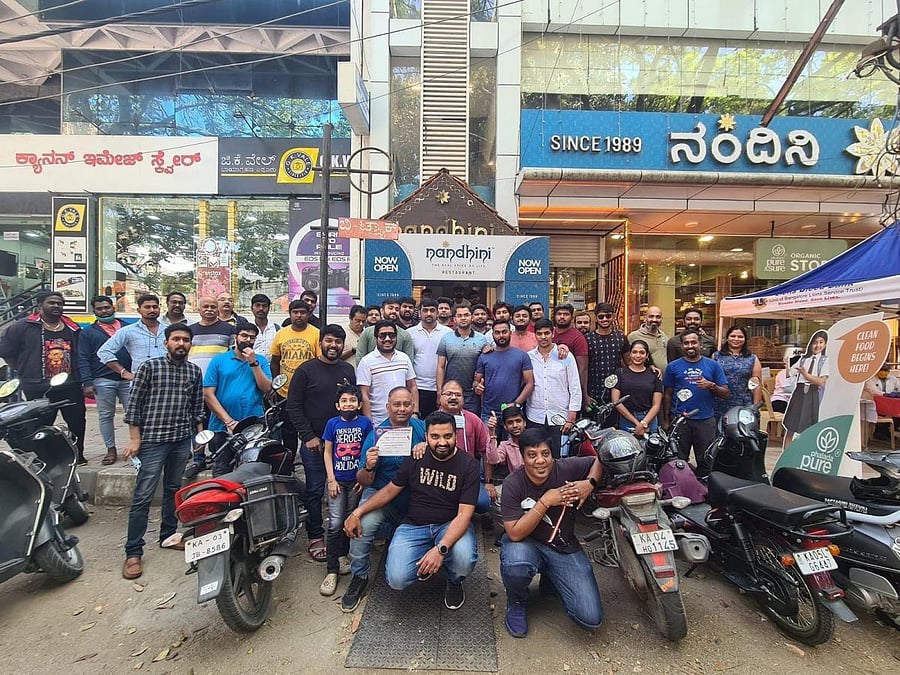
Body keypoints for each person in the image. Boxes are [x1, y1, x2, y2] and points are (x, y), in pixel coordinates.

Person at [345, 410, 479, 610]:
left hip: (450, 524)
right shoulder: (416, 456)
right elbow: (390, 490)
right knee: (396, 579)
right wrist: (357, 512)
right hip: (414, 525)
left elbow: (465, 515)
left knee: (463, 559)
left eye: (447, 436)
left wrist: (441, 549)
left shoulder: (469, 465)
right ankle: (415, 562)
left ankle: (454, 580)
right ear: (426, 436)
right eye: (435, 436)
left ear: (455, 435)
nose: (442, 442)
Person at [499, 427, 604, 638]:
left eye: (545, 454)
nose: (540, 461)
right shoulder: (513, 483)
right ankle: (517, 600)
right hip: (526, 543)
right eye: (532, 455)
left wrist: (589, 483)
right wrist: (545, 501)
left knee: (590, 617)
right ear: (523, 456)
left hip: (563, 546)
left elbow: (599, 460)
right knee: (516, 563)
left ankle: (552, 578)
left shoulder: (566, 468)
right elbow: (515, 533)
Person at [121, 324, 203, 580]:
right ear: (166, 342)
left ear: (190, 344)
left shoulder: (193, 371)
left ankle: (168, 535)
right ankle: (133, 551)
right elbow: (133, 404)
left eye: (185, 340)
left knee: (173, 490)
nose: (181, 343)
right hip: (153, 441)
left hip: (180, 439)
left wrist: (199, 437)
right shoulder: (150, 367)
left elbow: (196, 406)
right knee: (144, 495)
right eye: (176, 339)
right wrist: (135, 438)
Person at [340, 387, 426, 612]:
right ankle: (359, 575)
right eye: (396, 404)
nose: (401, 409)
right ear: (388, 407)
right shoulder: (376, 434)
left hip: (416, 497)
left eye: (406, 404)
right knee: (364, 525)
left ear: (412, 406)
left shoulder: (422, 428)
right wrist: (369, 465)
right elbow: (363, 480)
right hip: (380, 495)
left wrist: (428, 445)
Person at [286, 325, 356, 562]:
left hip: (346, 444)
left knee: (346, 489)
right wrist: (307, 436)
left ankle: (344, 536)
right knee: (316, 489)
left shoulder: (347, 370)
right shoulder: (305, 371)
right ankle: (316, 535)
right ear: (320, 342)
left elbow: (353, 402)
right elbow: (293, 406)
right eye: (329, 341)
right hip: (314, 444)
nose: (333, 346)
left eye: (338, 341)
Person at [0, 291, 87, 463]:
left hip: (70, 384)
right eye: (51, 303)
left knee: (77, 421)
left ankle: (78, 455)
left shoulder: (72, 327)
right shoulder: (23, 326)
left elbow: (80, 354)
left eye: (59, 303)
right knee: (40, 424)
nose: (56, 306)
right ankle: (44, 458)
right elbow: (7, 352)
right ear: (40, 306)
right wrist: (24, 369)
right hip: (36, 385)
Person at [320, 384, 374, 597]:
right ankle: (331, 570)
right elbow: (327, 452)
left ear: (360, 404)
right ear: (337, 405)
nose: (348, 404)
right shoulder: (332, 424)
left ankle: (344, 555)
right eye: (344, 400)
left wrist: (364, 476)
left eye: (352, 400)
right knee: (334, 523)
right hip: (338, 481)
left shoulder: (366, 423)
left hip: (356, 482)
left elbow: (370, 449)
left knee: (350, 520)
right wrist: (331, 480)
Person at [199, 322, 272, 476]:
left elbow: (266, 388)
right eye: (244, 335)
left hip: (253, 427)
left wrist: (253, 363)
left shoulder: (261, 360)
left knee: (251, 471)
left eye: (252, 337)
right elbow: (208, 394)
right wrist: (229, 421)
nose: (248, 340)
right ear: (235, 337)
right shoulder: (219, 360)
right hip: (221, 427)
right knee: (222, 471)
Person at [663, 330, 729, 473]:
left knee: (706, 461)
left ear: (700, 345)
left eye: (693, 342)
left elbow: (725, 393)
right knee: (677, 461)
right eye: (686, 343)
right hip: (680, 420)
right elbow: (667, 394)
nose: (690, 346)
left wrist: (711, 386)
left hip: (705, 420)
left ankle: (705, 491)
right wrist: (666, 420)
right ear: (682, 346)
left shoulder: (713, 365)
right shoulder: (673, 366)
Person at [78, 295, 131, 465]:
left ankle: (136, 445)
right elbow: (83, 358)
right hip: (103, 379)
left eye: (107, 307)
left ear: (113, 307)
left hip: (129, 378)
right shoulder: (88, 333)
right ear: (94, 311)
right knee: (106, 416)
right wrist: (87, 382)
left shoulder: (127, 328)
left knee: (134, 414)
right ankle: (111, 449)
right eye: (100, 308)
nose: (104, 311)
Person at [271, 299, 321, 460]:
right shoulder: (281, 334)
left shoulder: (316, 333)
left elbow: (319, 362)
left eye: (302, 312)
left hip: (309, 392)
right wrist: (275, 385)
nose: (299, 315)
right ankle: (289, 462)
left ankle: (312, 462)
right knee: (288, 431)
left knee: (309, 429)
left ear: (308, 314)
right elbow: (275, 361)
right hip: (285, 392)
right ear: (290, 314)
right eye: (295, 312)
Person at [526, 319, 582, 457]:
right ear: (535, 335)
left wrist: (571, 417)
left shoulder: (565, 356)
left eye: (546, 333)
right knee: (536, 455)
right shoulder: (529, 357)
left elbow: (574, 386)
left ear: (553, 333)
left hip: (560, 416)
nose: (543, 337)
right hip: (534, 415)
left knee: (557, 456)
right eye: (539, 333)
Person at [357, 320, 418, 425]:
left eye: (391, 335)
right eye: (382, 336)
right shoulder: (366, 361)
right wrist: (369, 421)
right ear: (376, 338)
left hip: (405, 419)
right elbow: (364, 394)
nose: (387, 339)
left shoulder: (404, 358)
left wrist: (415, 412)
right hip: (379, 421)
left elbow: (412, 386)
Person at [98, 292, 167, 385]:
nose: (152, 310)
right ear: (139, 310)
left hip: (167, 381)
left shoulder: (168, 330)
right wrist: (124, 373)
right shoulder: (128, 331)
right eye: (147, 307)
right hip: (141, 382)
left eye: (155, 307)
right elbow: (104, 352)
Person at [474, 319, 534, 425]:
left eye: (504, 332)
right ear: (492, 335)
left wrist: (516, 403)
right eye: (497, 333)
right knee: (488, 441)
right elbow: (476, 382)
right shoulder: (484, 356)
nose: (501, 335)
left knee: (513, 442)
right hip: (489, 411)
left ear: (510, 333)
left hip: (513, 411)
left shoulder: (522, 356)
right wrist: (477, 387)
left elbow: (530, 383)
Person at [436, 305, 488, 414]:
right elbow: (440, 367)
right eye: (459, 316)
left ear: (472, 317)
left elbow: (485, 364)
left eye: (466, 315)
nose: (463, 318)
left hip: (472, 393)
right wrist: (440, 391)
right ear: (454, 319)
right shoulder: (446, 338)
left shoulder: (482, 339)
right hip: (450, 392)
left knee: (471, 425)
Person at [783, 330, 829, 450]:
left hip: (813, 393)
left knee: (809, 427)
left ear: (825, 344)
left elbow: (821, 382)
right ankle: (786, 454)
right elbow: (790, 374)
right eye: (815, 342)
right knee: (791, 426)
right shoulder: (803, 359)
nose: (817, 345)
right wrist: (787, 364)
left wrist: (805, 374)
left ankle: (804, 453)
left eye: (821, 342)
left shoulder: (825, 360)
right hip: (799, 392)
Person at [409, 298, 452, 418]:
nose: (428, 313)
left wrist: (441, 389)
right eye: (425, 310)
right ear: (419, 313)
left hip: (441, 388)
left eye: (432, 310)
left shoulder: (448, 333)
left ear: (437, 312)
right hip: (417, 388)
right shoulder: (410, 333)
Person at [585, 303, 628, 419]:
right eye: (601, 316)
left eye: (608, 316)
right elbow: (584, 368)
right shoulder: (587, 338)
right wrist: (585, 395)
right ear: (596, 318)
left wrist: (650, 366)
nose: (605, 319)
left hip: (616, 393)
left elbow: (629, 363)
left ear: (613, 316)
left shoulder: (620, 337)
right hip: (593, 392)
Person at [612, 339, 663, 436]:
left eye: (642, 352)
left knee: (650, 450)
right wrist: (637, 423)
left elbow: (656, 405)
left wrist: (644, 423)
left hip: (649, 420)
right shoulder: (620, 373)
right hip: (627, 419)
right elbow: (616, 402)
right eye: (634, 352)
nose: (638, 356)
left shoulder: (655, 374)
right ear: (630, 354)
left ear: (647, 355)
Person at [712, 325, 762, 419]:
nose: (736, 339)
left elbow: (756, 384)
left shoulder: (752, 358)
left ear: (745, 339)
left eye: (740, 337)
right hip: (720, 402)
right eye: (733, 336)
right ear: (727, 338)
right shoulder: (716, 356)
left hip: (743, 402)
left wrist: (755, 406)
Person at [355, 297, 416, 364]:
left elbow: (409, 361)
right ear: (382, 310)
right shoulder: (367, 332)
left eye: (397, 309)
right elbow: (360, 358)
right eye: (390, 308)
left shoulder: (405, 335)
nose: (394, 311)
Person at [188, 296, 236, 377]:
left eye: (213, 307)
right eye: (205, 306)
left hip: (220, 375)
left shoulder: (229, 329)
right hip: (193, 374)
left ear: (217, 310)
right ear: (198, 309)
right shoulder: (189, 330)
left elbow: (233, 354)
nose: (209, 309)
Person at [553, 304, 589, 407]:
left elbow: (582, 369)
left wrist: (583, 394)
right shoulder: (549, 333)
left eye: (566, 314)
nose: (562, 317)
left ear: (572, 317)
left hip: (568, 387)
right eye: (559, 314)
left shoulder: (578, 338)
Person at [628, 305, 669, 375]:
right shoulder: (634, 336)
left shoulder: (664, 336)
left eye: (658, 317)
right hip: (645, 380)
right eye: (651, 316)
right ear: (644, 318)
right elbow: (628, 361)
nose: (654, 320)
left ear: (661, 319)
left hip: (663, 380)